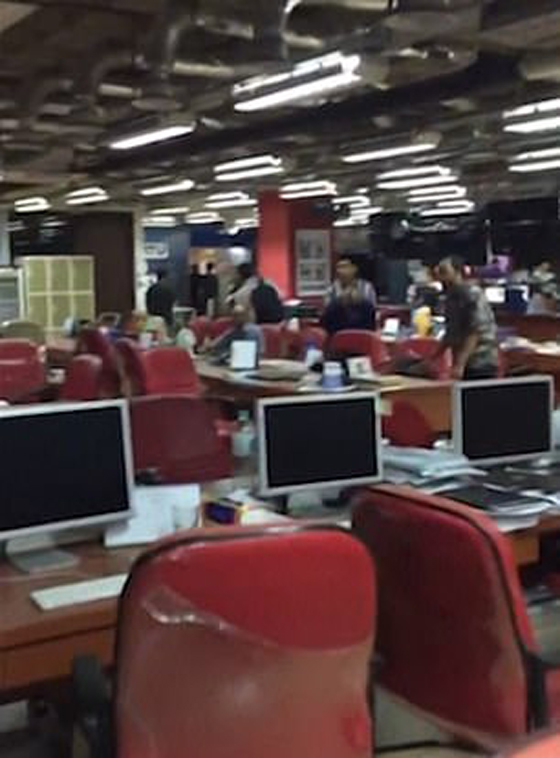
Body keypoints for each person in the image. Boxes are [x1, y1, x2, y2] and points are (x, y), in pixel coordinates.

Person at [432, 256, 498, 380]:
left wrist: (460, 364)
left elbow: (474, 332)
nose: (440, 276)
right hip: (462, 359)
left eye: (444, 271)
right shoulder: (451, 297)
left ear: (458, 272)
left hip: (480, 360)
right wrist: (433, 358)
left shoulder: (472, 294)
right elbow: (451, 333)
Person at [322, 257, 377, 334]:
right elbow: (327, 315)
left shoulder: (367, 287)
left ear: (354, 269)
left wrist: (359, 301)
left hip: (362, 330)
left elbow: (372, 311)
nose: (340, 271)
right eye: (338, 268)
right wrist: (340, 301)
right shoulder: (331, 290)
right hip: (337, 330)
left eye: (345, 267)